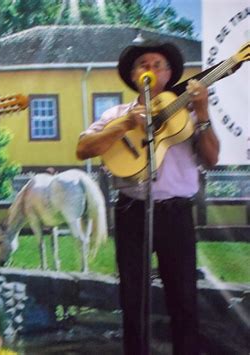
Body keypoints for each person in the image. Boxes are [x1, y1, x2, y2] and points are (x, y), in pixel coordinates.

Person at [76, 40, 220, 355]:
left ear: (169, 75)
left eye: (158, 65)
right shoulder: (116, 113)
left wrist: (203, 111)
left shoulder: (188, 114)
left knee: (183, 299)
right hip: (132, 211)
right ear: (133, 74)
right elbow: (83, 148)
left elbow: (211, 158)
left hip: (176, 213)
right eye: (144, 64)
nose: (151, 69)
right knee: (133, 298)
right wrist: (126, 124)